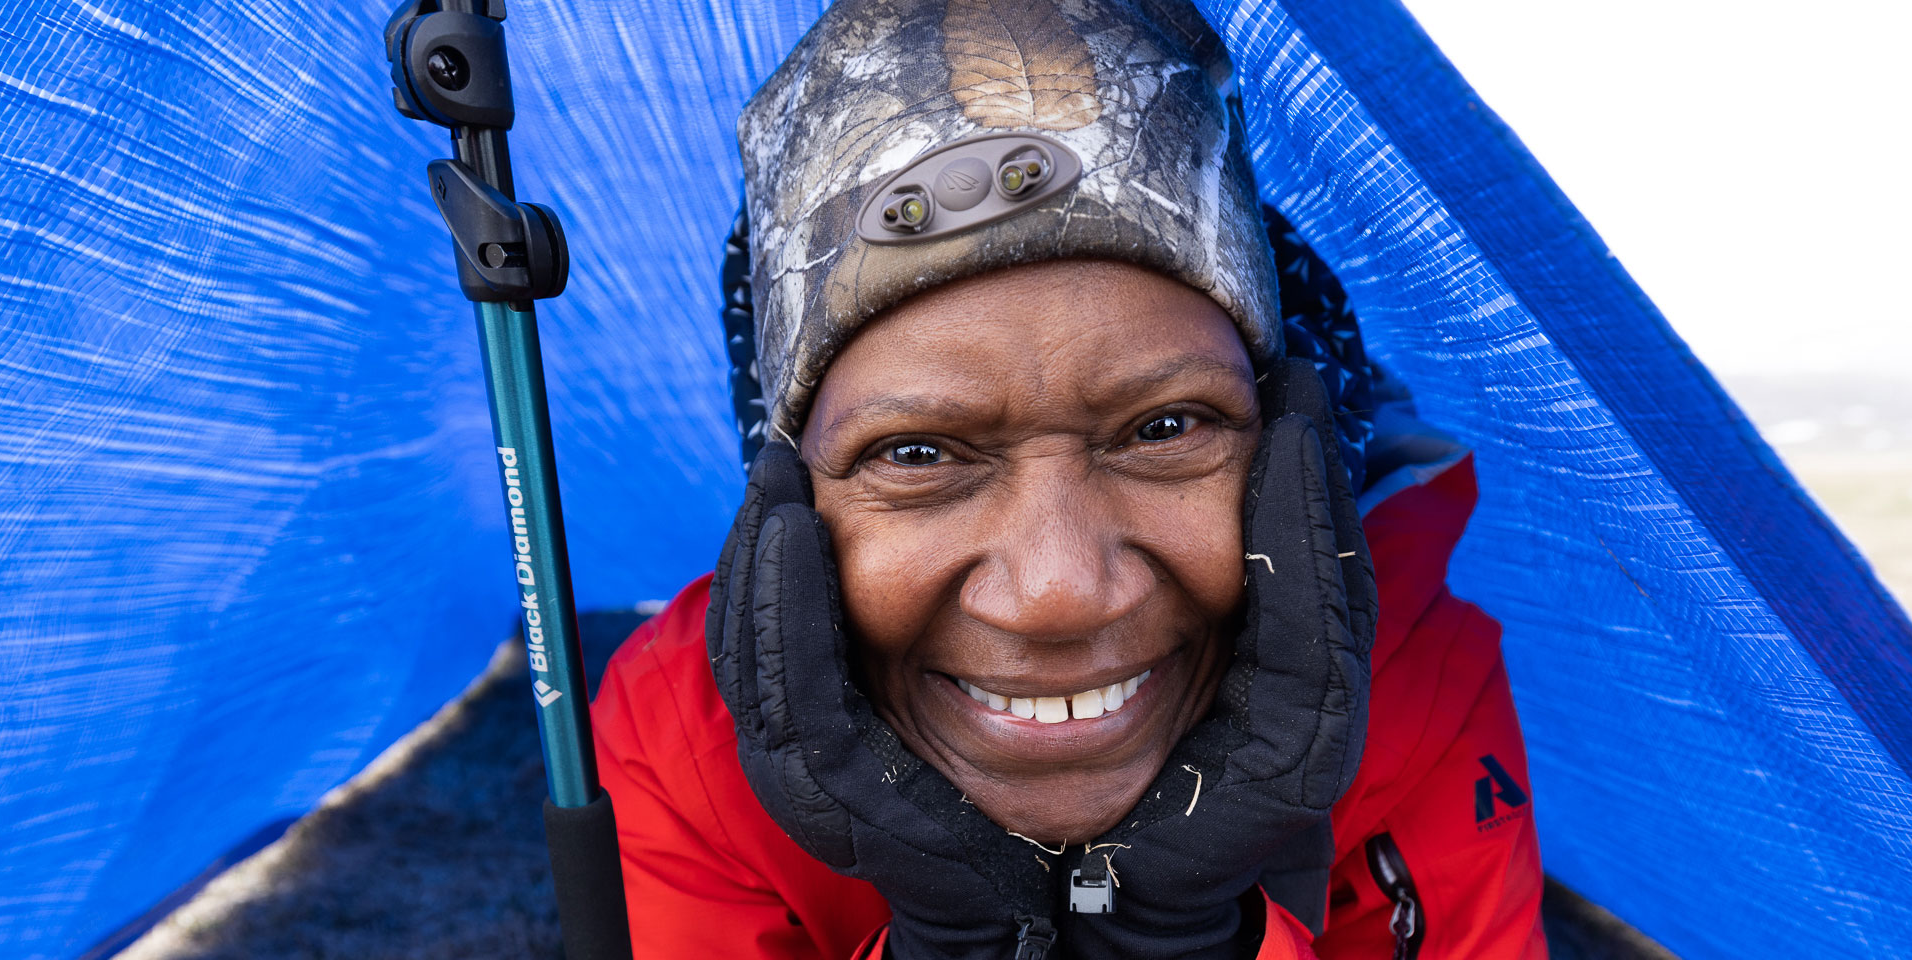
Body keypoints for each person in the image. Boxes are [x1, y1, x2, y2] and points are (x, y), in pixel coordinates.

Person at [591, 0, 1546, 956]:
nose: (1058, 592)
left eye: (1166, 428)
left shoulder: (1409, 693)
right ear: (790, 493)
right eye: (917, 453)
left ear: (1298, 449)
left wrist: (1186, 932)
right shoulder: (683, 742)